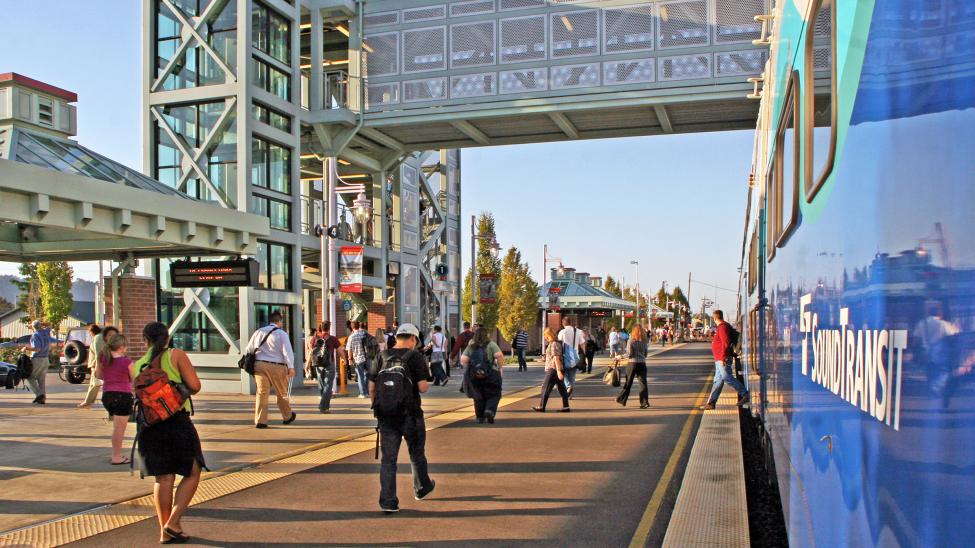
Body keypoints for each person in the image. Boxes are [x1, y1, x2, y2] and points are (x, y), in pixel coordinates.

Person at [131, 322, 205, 544]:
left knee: (163, 478)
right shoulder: (175, 355)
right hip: (176, 422)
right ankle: (173, 521)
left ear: (145, 339)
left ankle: (165, 531)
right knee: (193, 470)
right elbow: (195, 385)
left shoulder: (136, 365)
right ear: (167, 338)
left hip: (148, 426)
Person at [370, 323, 435, 513]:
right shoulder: (415, 357)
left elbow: (372, 387)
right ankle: (421, 488)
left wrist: (379, 407)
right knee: (416, 454)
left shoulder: (381, 356)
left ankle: (388, 501)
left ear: (397, 337)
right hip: (411, 414)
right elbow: (423, 387)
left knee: (388, 460)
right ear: (413, 339)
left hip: (386, 416)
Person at [243, 311, 297, 428]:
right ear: (279, 322)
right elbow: (287, 352)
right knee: (282, 392)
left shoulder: (259, 332)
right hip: (278, 366)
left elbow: (248, 349)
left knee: (262, 393)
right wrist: (291, 367)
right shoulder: (282, 334)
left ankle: (260, 421)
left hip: (260, 365)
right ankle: (287, 416)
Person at [95, 332, 133, 465]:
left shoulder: (103, 359)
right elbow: (134, 378)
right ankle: (116, 456)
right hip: (123, 395)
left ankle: (116, 454)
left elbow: (98, 375)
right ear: (122, 347)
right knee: (119, 429)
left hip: (107, 395)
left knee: (116, 428)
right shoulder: (126, 361)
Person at [702, 310, 749, 410]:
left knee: (727, 377)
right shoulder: (723, 326)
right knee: (717, 381)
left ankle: (745, 394)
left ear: (714, 318)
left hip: (722, 358)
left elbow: (726, 343)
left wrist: (723, 357)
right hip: (719, 359)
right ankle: (711, 403)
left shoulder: (722, 327)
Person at [460, 326, 505, 424]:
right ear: (487, 335)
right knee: (494, 394)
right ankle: (489, 410)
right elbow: (499, 356)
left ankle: (480, 417)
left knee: (478, 396)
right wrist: (500, 368)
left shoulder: (471, 346)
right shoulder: (491, 344)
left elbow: (463, 359)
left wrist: (473, 364)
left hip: (475, 375)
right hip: (491, 373)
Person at [80, 324, 119, 408]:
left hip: (97, 364)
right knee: (94, 383)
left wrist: (98, 366)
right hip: (101, 363)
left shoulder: (97, 338)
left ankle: (88, 401)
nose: (89, 334)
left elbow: (98, 353)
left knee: (94, 383)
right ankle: (89, 401)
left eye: (89, 332)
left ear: (92, 331)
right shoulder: (100, 337)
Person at [531, 327, 570, 413]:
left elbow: (556, 358)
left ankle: (541, 406)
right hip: (556, 369)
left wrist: (559, 371)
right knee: (562, 388)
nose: (545, 338)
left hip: (553, 369)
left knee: (545, 388)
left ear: (550, 335)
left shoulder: (554, 344)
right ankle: (566, 406)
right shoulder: (554, 343)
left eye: (546, 336)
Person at [308, 322, 340, 413]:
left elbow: (311, 352)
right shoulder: (333, 339)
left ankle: (324, 405)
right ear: (329, 328)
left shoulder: (315, 338)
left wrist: (307, 364)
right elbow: (340, 350)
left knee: (322, 384)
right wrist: (345, 360)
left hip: (318, 364)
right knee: (328, 385)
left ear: (321, 328)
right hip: (329, 363)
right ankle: (323, 405)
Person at [617, 325, 651, 408]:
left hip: (632, 364)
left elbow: (629, 354)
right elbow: (646, 354)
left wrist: (620, 357)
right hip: (642, 363)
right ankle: (644, 402)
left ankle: (622, 400)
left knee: (628, 383)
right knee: (643, 383)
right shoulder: (644, 341)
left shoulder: (631, 340)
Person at [22, 320, 52, 405]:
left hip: (37, 359)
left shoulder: (35, 335)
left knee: (30, 377)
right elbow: (49, 324)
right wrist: (39, 324)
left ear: (33, 327)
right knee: (41, 379)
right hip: (46, 359)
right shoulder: (46, 332)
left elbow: (37, 348)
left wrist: (26, 348)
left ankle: (39, 395)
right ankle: (42, 399)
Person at [557, 317, 585, 396]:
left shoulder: (562, 332)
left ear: (563, 323)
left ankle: (568, 386)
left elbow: (559, 343)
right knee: (572, 376)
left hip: (565, 355)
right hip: (575, 356)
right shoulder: (578, 332)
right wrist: (584, 354)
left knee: (564, 373)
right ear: (570, 322)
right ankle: (570, 393)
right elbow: (582, 343)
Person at [346, 321, 370, 398]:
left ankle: (362, 393)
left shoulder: (351, 337)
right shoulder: (364, 334)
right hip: (367, 357)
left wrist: (350, 359)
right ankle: (366, 391)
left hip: (358, 359)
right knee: (366, 374)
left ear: (352, 327)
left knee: (360, 376)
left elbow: (349, 349)